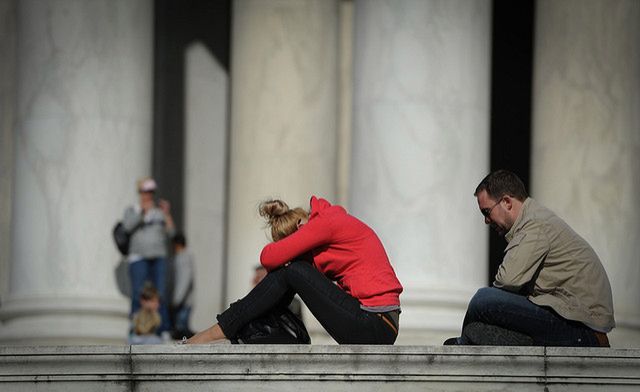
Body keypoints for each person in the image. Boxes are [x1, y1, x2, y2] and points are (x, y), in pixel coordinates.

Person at [187, 196, 403, 345]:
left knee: (292, 270)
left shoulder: (326, 222)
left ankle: (218, 331)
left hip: (375, 323)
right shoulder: (327, 231)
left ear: (300, 227)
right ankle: (238, 328)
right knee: (292, 271)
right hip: (376, 323)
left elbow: (268, 257)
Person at [445, 170, 615, 346]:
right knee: (477, 332)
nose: (486, 221)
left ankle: (462, 346)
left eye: (486, 212)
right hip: (568, 320)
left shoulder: (535, 224)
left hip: (581, 329)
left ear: (506, 202)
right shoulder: (532, 220)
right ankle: (465, 342)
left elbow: (507, 280)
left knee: (483, 299)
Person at [122, 177, 175, 334]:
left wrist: (167, 214)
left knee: (160, 293)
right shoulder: (132, 209)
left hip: (159, 257)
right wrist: (142, 213)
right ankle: (135, 328)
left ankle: (161, 329)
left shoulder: (159, 211)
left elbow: (171, 233)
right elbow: (127, 227)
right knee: (138, 293)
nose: (149, 195)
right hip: (138, 257)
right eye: (146, 191)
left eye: (151, 191)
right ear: (140, 192)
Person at [171, 232, 195, 339]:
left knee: (181, 331)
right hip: (183, 301)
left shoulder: (184, 258)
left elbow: (185, 280)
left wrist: (177, 300)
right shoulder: (183, 257)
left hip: (183, 302)